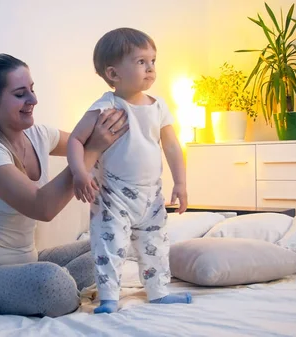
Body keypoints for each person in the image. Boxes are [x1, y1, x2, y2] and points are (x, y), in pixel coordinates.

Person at [0, 53, 129, 318]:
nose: (33, 100)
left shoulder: (40, 135)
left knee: (106, 244)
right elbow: (41, 206)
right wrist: (93, 148)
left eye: (32, 90)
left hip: (28, 263)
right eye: (21, 94)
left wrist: (130, 117)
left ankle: (56, 284)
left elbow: (90, 142)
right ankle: (58, 285)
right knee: (51, 283)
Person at [66, 27, 192, 314]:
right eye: (140, 62)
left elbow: (172, 146)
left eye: (153, 61)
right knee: (110, 248)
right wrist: (79, 173)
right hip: (113, 195)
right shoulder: (107, 105)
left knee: (156, 244)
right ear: (113, 74)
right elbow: (75, 139)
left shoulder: (159, 106)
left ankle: (159, 292)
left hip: (152, 195)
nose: (150, 68)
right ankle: (109, 296)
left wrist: (181, 182)